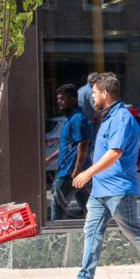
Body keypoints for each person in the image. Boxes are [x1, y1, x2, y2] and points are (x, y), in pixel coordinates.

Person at [58, 72, 140, 279]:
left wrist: (88, 173)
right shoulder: (107, 117)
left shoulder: (122, 118)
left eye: (94, 93)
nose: (91, 97)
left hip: (118, 189)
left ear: (104, 93)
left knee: (132, 231)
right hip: (102, 189)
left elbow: (114, 153)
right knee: (91, 231)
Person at [45, 83, 92, 220]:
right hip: (73, 171)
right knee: (87, 206)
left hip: (70, 172)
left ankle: (57, 235)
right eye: (58, 99)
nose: (59, 102)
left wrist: (76, 171)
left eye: (62, 99)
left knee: (57, 205)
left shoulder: (78, 119)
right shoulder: (71, 118)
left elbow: (83, 145)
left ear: (72, 100)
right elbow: (67, 146)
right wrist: (50, 159)